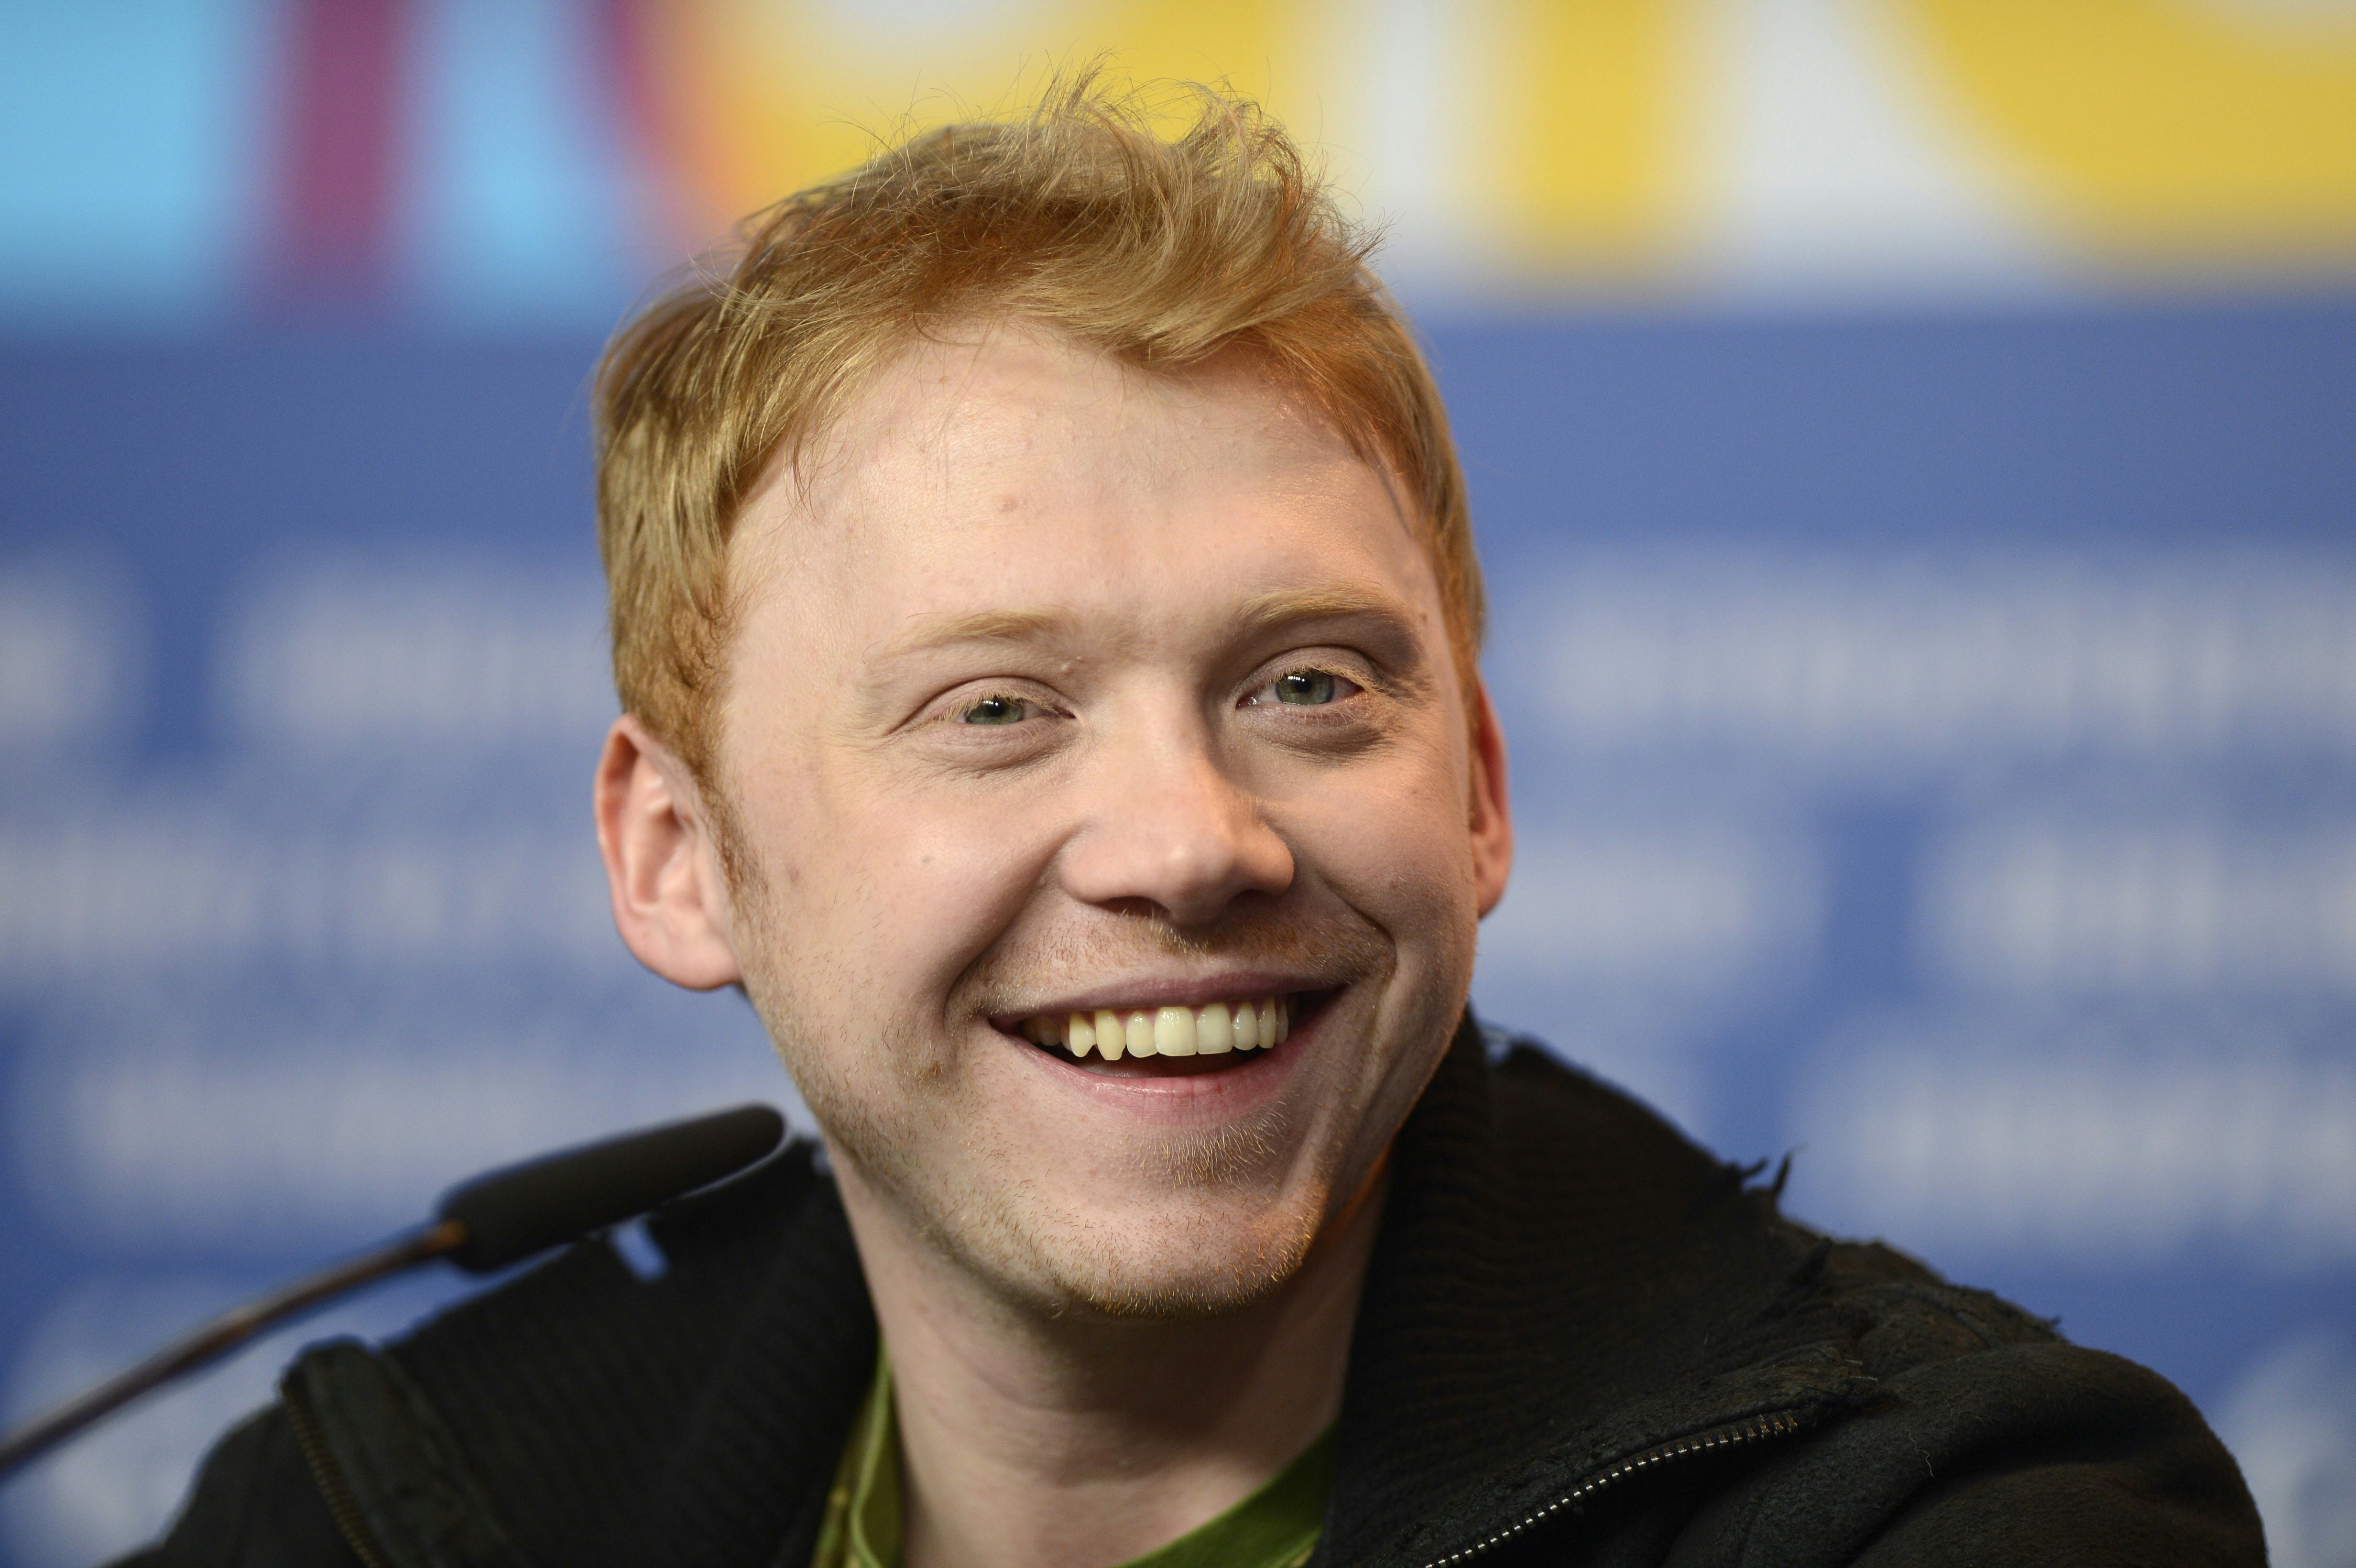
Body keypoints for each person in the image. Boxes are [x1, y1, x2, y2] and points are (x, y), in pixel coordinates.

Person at [127, 80, 2262, 1568]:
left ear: (1480, 788)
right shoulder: (375, 1519)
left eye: (1307, 686)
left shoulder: (1959, 1517)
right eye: (996, 709)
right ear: (675, 859)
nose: (1192, 839)